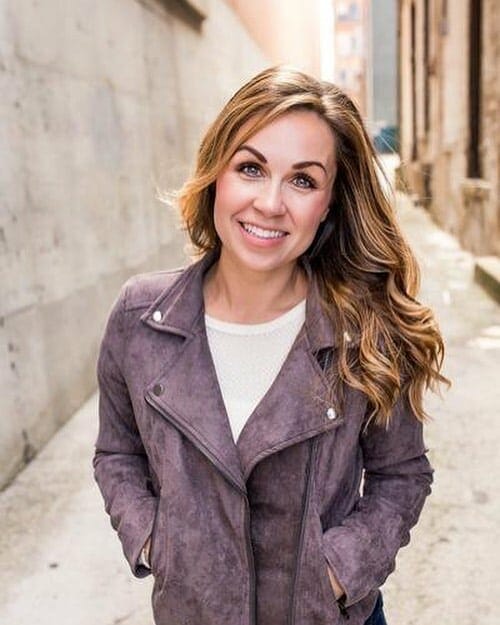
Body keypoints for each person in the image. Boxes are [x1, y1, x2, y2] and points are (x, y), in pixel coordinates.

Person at [93, 65, 450, 625]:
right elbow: (117, 453)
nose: (270, 203)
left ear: (329, 203)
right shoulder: (140, 319)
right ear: (216, 173)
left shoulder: (366, 329)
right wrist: (153, 542)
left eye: (303, 180)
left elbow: (401, 475)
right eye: (251, 168)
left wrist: (334, 574)